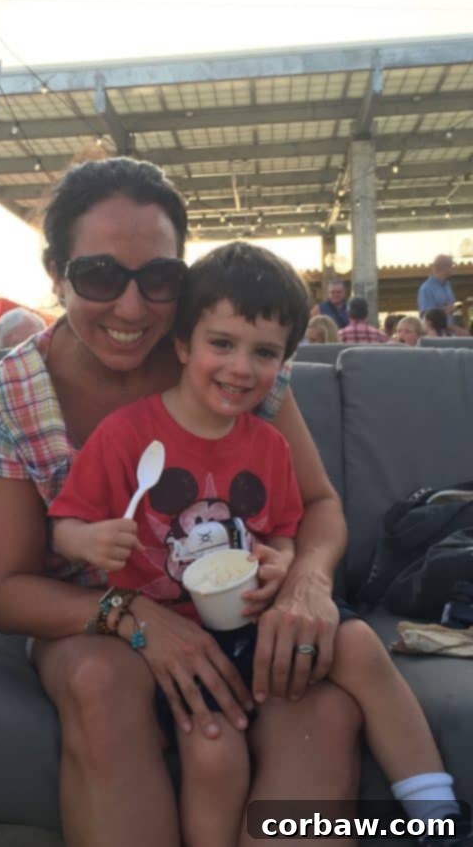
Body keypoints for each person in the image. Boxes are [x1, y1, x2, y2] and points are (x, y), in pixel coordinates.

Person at [0, 158, 362, 847]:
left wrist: (305, 583)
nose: (131, 308)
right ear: (56, 272)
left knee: (321, 707)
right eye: (98, 276)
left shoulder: (226, 363)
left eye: (158, 279)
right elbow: (7, 589)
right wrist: (131, 615)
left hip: (238, 612)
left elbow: (319, 503)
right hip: (90, 620)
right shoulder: (17, 391)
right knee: (100, 680)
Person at [50, 241, 464, 847]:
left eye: (264, 353)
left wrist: (284, 561)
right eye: (222, 344)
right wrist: (89, 540)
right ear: (183, 344)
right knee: (213, 752)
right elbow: (63, 524)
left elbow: (287, 528)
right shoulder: (125, 437)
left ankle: (435, 812)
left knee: (359, 646)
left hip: (259, 622)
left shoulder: (268, 445)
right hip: (172, 637)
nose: (241, 368)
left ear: (284, 362)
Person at [418, 255, 456, 324]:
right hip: (435, 330)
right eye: (450, 266)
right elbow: (425, 315)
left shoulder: (447, 285)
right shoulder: (426, 288)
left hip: (449, 328)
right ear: (442, 267)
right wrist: (444, 311)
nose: (452, 269)